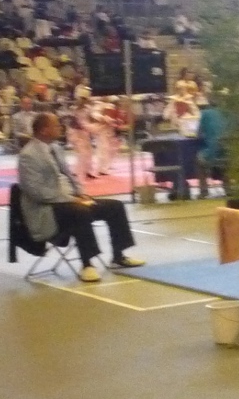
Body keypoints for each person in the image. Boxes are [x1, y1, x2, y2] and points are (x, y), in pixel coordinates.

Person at [18, 113, 145, 283]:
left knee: (115, 206)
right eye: (56, 126)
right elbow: (36, 191)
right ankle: (87, 264)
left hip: (70, 200)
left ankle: (118, 255)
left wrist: (80, 193)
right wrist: (69, 199)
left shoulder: (55, 148)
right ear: (44, 130)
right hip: (47, 207)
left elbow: (69, 175)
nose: (60, 128)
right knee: (79, 212)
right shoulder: (28, 155)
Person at [196, 93, 230, 199]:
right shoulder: (226, 113)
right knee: (224, 162)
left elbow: (199, 134)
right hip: (227, 151)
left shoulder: (205, 113)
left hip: (213, 151)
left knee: (199, 159)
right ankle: (228, 189)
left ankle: (203, 191)